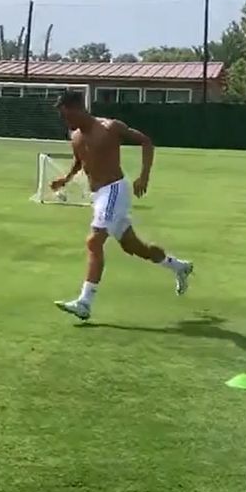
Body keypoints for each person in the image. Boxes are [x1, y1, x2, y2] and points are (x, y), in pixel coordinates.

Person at [49, 90, 193, 321]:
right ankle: (179, 267)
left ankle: (85, 302)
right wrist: (65, 179)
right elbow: (80, 161)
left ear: (79, 108)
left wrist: (144, 176)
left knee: (94, 241)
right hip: (100, 197)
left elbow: (146, 141)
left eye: (68, 115)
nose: (66, 121)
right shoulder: (75, 136)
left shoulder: (109, 127)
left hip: (114, 189)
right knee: (134, 247)